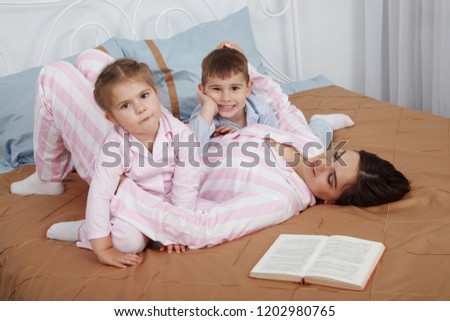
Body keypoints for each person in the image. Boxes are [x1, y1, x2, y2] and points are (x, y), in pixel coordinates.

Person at [10, 49, 199, 267]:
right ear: (112, 118)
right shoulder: (115, 146)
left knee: (91, 58)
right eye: (126, 106)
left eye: (145, 96)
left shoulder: (182, 135)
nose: (140, 108)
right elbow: (100, 193)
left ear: (156, 93)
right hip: (132, 205)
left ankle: (92, 67)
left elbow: (186, 184)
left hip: (168, 207)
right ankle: (86, 229)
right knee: (127, 241)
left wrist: (177, 229)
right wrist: (103, 247)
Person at [189, 41, 355, 150]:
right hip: (241, 167)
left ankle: (322, 123)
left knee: (312, 147)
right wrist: (208, 109)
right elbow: (190, 149)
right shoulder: (203, 115)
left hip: (271, 150)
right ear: (203, 90)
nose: (226, 98)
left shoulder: (260, 108)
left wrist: (242, 135)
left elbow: (276, 145)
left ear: (248, 89)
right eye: (216, 89)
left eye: (234, 88)